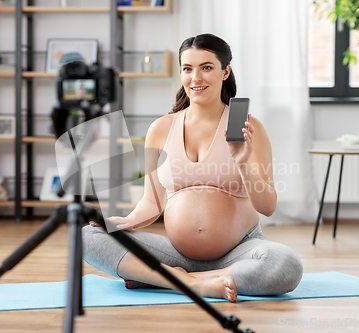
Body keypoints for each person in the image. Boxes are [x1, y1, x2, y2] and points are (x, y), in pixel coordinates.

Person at [82, 33, 303, 302]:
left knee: (285, 264)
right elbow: (152, 203)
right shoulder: (161, 128)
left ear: (225, 72)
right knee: (87, 237)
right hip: (174, 253)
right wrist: (124, 222)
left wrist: (243, 162)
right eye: (188, 69)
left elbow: (267, 206)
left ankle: (167, 279)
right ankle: (188, 281)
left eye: (206, 67)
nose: (195, 78)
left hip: (239, 252)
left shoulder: (248, 127)